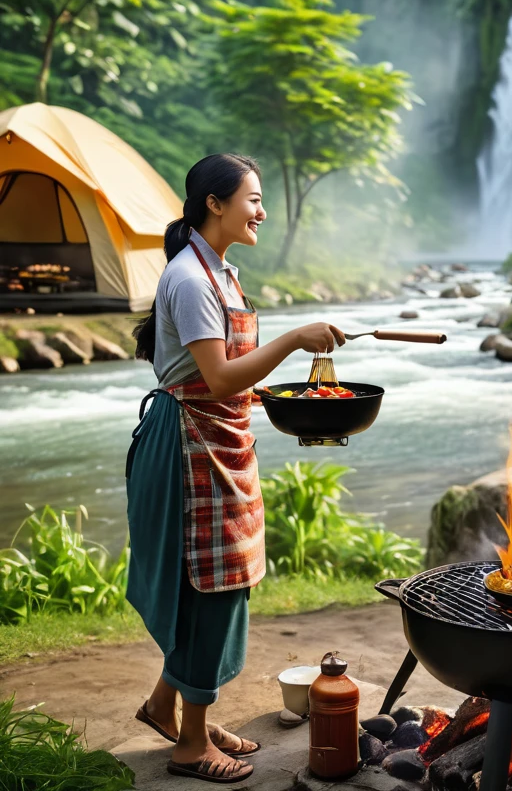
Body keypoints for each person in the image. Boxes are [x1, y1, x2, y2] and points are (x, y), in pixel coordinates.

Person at [126, 153, 345, 784]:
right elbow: (218, 376)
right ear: (214, 204)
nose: (262, 210)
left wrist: (282, 402)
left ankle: (169, 708)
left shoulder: (218, 270)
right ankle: (190, 747)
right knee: (208, 589)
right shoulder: (192, 280)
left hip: (217, 438)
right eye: (252, 198)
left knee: (220, 579)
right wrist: (294, 340)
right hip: (189, 447)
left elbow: (222, 381)